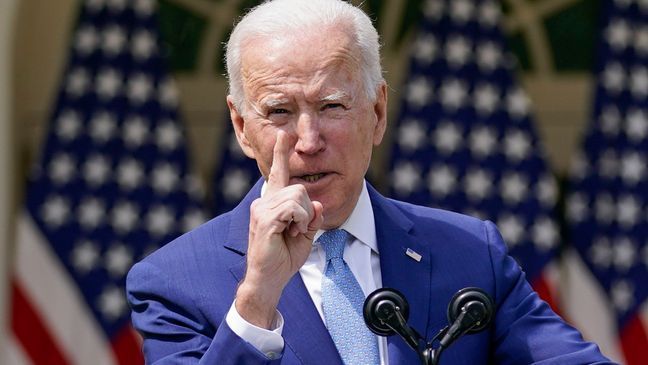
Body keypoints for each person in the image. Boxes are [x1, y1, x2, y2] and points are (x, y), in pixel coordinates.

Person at [126, 0, 614, 364]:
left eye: (332, 107)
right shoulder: (173, 283)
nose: (308, 140)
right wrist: (257, 296)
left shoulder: (469, 253)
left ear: (377, 113)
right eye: (279, 112)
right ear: (240, 127)